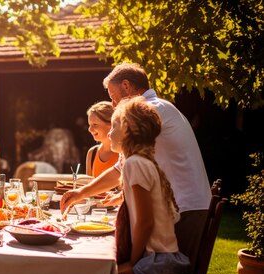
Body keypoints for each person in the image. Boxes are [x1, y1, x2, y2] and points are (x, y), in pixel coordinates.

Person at [61, 63, 211, 252]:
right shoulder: (160, 106)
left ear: (126, 86)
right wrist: (81, 194)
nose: (114, 105)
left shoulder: (146, 111)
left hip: (185, 208)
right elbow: (121, 167)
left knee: (169, 273)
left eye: (113, 98)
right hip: (188, 205)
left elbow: (121, 167)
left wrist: (81, 194)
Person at [110, 97, 189, 274]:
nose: (109, 133)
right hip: (166, 261)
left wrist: (132, 262)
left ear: (127, 129)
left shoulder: (134, 164)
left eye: (113, 126)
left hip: (158, 264)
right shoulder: (144, 161)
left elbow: (146, 222)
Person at [85, 101, 118, 177]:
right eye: (89, 125)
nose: (90, 129)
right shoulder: (92, 153)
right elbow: (89, 185)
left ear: (111, 124)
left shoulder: (123, 153)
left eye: (95, 125)